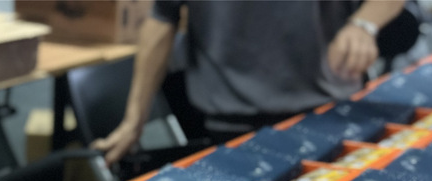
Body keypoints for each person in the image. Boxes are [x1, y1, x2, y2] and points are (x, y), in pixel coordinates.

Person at [92, 0, 407, 164]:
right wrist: (134, 119)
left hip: (330, 114)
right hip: (232, 126)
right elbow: (162, 18)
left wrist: (364, 25)